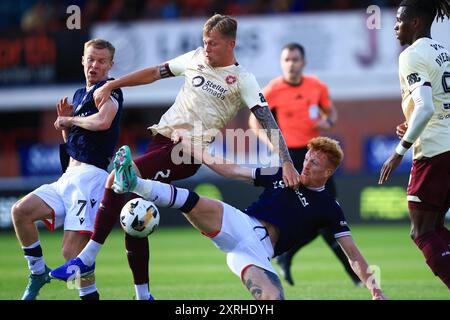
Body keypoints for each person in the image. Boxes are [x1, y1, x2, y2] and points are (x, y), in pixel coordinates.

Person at [50, 14, 300, 300]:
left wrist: (287, 162)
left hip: (185, 151)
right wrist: (112, 85)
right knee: (134, 209)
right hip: (161, 141)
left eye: (214, 44)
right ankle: (143, 295)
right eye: (205, 42)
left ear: (231, 44)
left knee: (118, 178)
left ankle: (87, 256)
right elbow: (155, 73)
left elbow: (267, 120)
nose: (207, 48)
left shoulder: (243, 80)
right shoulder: (195, 58)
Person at [110, 136, 386, 300]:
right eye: (307, 158)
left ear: (327, 172)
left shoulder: (329, 206)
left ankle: (136, 182)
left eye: (314, 163)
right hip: (242, 222)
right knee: (194, 202)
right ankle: (136, 182)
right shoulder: (282, 173)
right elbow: (232, 171)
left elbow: (352, 253)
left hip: (257, 252)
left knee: (273, 298)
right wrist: (201, 153)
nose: (306, 164)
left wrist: (374, 290)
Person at [11, 39, 123, 300]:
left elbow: (104, 121)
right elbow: (75, 143)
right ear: (83, 60)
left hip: (91, 178)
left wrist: (70, 119)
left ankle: (89, 295)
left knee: (71, 254)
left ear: (110, 65)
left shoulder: (109, 89)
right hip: (68, 177)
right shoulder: (78, 95)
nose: (95, 65)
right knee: (21, 212)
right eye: (91, 59)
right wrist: (66, 129)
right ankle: (37, 273)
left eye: (101, 61)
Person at [248, 43, 360, 286]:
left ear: (303, 62)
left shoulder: (316, 86)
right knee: (316, 217)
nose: (291, 64)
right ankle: (357, 278)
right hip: (291, 159)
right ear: (281, 63)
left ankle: (287, 257)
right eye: (287, 59)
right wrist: (272, 147)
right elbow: (254, 120)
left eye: (295, 59)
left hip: (316, 158)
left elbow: (331, 114)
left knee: (327, 213)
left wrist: (328, 121)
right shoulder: (274, 89)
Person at [379, 0, 450, 290]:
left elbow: (426, 109)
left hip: (433, 151)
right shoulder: (444, 53)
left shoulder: (411, 54)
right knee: (434, 228)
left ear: (416, 23)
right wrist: (411, 121)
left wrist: (398, 153)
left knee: (420, 231)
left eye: (399, 20)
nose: (395, 26)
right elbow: (435, 104)